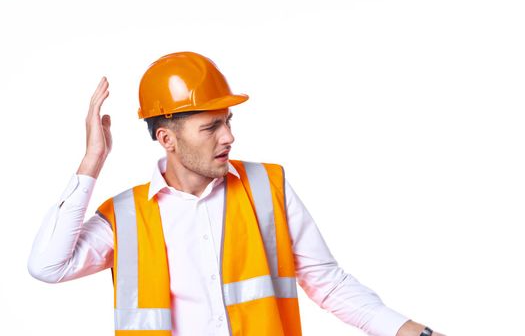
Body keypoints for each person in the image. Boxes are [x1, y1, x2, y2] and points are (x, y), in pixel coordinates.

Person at [28, 52, 444, 336]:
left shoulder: (267, 186)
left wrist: (408, 329)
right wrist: (92, 162)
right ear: (166, 138)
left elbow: (327, 282)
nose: (229, 137)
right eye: (211, 127)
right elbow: (47, 266)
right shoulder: (125, 216)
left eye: (227, 121)